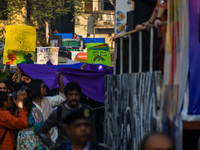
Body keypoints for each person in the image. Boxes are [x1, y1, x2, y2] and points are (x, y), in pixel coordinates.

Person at [38, 81, 96, 149]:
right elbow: (41, 131)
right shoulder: (59, 112)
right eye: (70, 95)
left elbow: (92, 134)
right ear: (66, 95)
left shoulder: (87, 110)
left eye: (76, 94)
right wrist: (52, 145)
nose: (73, 97)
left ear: (80, 95)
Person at [16, 74, 66, 150]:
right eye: (43, 87)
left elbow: (62, 97)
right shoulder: (28, 104)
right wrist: (21, 101)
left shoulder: (48, 100)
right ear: (36, 89)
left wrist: (60, 82)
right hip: (34, 142)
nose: (45, 88)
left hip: (52, 139)